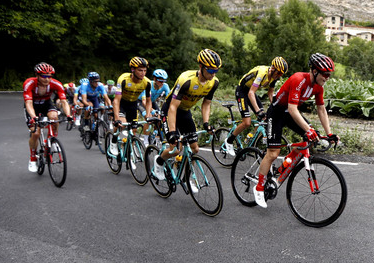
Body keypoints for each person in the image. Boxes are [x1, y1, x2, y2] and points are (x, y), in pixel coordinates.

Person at [253, 53, 338, 208]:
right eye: (325, 74)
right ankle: (259, 187)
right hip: (277, 113)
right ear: (314, 71)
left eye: (329, 74)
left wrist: (329, 133)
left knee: (313, 137)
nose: (327, 77)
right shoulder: (299, 79)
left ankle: (284, 166)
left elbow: (321, 109)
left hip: (290, 113)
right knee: (273, 153)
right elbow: (292, 109)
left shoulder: (319, 87)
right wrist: (308, 129)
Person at [152, 49, 221, 185]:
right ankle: (159, 161)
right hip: (170, 110)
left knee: (195, 148)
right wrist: (172, 132)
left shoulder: (214, 82)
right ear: (201, 67)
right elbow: (172, 107)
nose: (213, 74)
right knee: (176, 148)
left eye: (216, 71)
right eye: (211, 70)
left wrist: (206, 123)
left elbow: (206, 104)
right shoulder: (186, 80)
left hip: (184, 111)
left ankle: (187, 177)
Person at [226, 57, 288, 151]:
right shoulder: (262, 73)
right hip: (242, 91)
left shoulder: (274, 77)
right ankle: (229, 141)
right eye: (278, 73)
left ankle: (250, 139)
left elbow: (270, 93)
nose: (279, 76)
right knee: (247, 122)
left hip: (251, 93)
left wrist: (275, 106)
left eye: (281, 74)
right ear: (273, 68)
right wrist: (258, 111)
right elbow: (251, 93)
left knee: (263, 119)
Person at [23, 62, 72, 172]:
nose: (47, 79)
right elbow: (29, 104)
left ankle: (53, 140)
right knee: (35, 133)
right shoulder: (29, 83)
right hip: (33, 106)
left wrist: (69, 115)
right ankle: (32, 158)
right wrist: (33, 117)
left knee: (54, 117)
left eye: (49, 76)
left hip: (46, 104)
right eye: (44, 76)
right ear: (37, 75)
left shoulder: (56, 84)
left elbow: (64, 102)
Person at [112, 57, 152, 155]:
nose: (143, 73)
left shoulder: (147, 82)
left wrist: (148, 114)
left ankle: (130, 151)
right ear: (133, 70)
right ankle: (113, 141)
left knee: (134, 130)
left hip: (133, 104)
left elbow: (148, 101)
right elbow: (116, 101)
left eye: (145, 70)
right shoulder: (123, 79)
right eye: (140, 70)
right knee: (122, 124)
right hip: (122, 103)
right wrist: (116, 118)